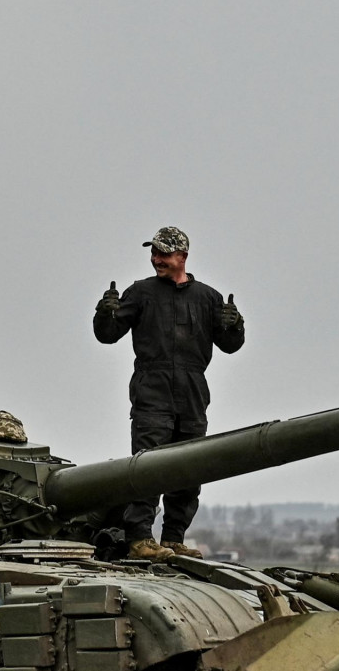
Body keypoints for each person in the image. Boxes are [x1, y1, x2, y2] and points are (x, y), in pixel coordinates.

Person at [93, 227, 244, 561]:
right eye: (154, 253)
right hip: (152, 393)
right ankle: (139, 538)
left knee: (190, 471)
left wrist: (236, 325)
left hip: (192, 395)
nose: (156, 259)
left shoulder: (207, 298)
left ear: (182, 257)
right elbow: (108, 335)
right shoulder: (141, 293)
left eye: (163, 254)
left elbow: (230, 345)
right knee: (147, 469)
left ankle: (173, 538)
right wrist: (104, 313)